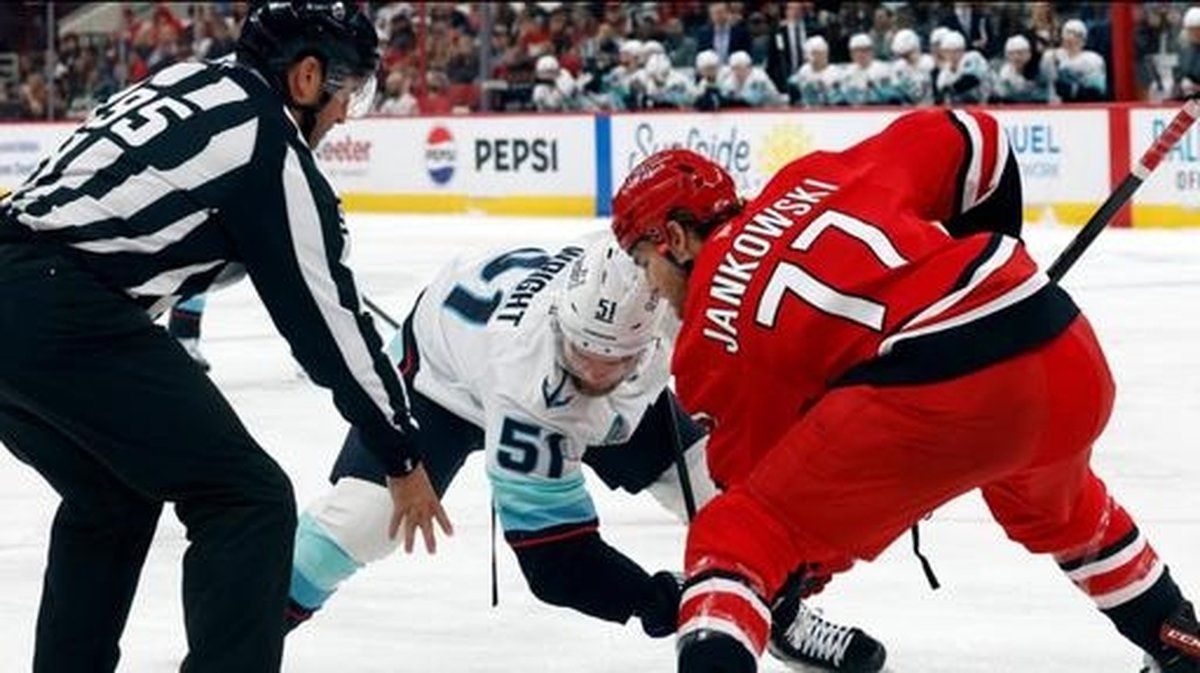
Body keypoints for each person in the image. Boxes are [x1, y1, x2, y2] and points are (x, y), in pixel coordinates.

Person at [610, 109, 1200, 673]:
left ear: (676, 239)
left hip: (939, 392)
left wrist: (796, 575)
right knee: (1062, 510)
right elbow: (978, 142)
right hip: (1059, 341)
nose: (651, 289)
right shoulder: (811, 177)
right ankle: (1178, 639)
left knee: (735, 535)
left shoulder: (706, 340)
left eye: (642, 263)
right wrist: (982, 269)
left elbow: (771, 509)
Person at [0, 2, 448, 672]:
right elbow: (329, 329)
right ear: (306, 78)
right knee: (249, 499)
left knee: (111, 496)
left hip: (21, 282)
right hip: (61, 308)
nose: (345, 115)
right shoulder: (271, 146)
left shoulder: (185, 79)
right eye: (349, 93)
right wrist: (401, 453)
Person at [288, 235, 887, 673]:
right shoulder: (529, 385)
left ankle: (781, 616)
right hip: (438, 383)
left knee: (728, 498)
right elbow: (557, 561)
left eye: (611, 357)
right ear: (560, 321)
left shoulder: (660, 300)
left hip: (583, 379)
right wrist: (665, 601)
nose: (592, 372)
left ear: (649, 339)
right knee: (363, 522)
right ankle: (251, 625)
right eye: (582, 351)